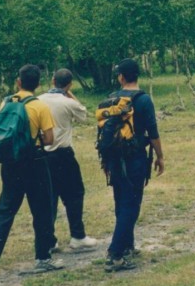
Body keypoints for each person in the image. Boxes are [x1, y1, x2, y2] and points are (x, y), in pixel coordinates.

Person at [0, 64, 63, 282]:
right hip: (35, 162)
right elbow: (49, 139)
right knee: (42, 210)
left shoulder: (6, 103)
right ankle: (42, 258)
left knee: (5, 210)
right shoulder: (39, 106)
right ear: (38, 84)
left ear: (18, 82)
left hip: (10, 163)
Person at [102, 58, 165, 272]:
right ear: (138, 75)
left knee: (121, 201)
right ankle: (115, 254)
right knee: (132, 204)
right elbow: (153, 132)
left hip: (113, 158)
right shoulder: (143, 100)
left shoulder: (111, 98)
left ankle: (127, 245)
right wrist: (160, 156)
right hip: (135, 157)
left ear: (121, 77)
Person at [39, 68, 99, 252]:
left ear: (52, 80)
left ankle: (48, 240)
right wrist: (70, 94)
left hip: (43, 154)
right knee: (74, 194)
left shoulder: (38, 100)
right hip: (63, 154)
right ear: (69, 85)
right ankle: (77, 235)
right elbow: (83, 115)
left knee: (49, 197)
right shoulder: (67, 102)